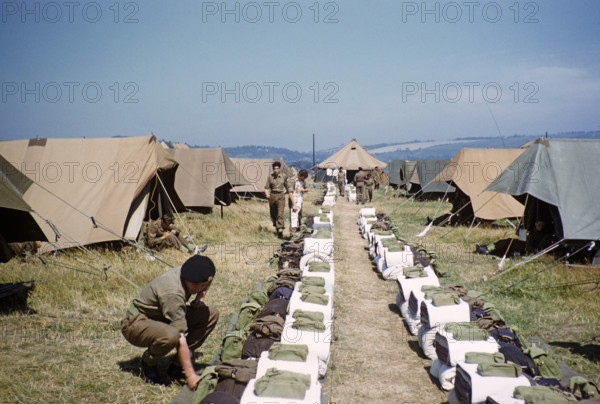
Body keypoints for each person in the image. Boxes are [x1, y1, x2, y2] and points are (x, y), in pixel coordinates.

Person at [120, 255, 220, 388]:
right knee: (172, 335)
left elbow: (209, 278)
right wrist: (191, 375)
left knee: (211, 314)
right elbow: (180, 337)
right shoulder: (173, 292)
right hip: (136, 323)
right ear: (186, 279)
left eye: (202, 285)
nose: (198, 288)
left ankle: (177, 367)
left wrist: (199, 298)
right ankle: (148, 364)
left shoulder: (193, 273)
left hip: (163, 316)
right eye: (195, 285)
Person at [264, 161, 296, 238]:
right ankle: (277, 227)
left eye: (277, 169)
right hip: (272, 196)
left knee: (280, 214)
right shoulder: (270, 177)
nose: (276, 170)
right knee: (273, 215)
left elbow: (287, 186)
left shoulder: (284, 177)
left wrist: (291, 192)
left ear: (279, 169)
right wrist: (267, 194)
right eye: (274, 169)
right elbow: (266, 188)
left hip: (281, 196)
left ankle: (280, 230)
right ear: (272, 169)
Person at [289, 170, 309, 235]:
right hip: (293, 200)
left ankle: (298, 232)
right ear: (298, 175)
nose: (302, 179)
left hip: (300, 200)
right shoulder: (293, 181)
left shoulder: (303, 181)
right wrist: (294, 204)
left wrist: (302, 189)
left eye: (303, 178)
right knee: (293, 216)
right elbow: (290, 193)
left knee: (299, 216)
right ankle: (292, 233)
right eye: (301, 178)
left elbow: (307, 189)